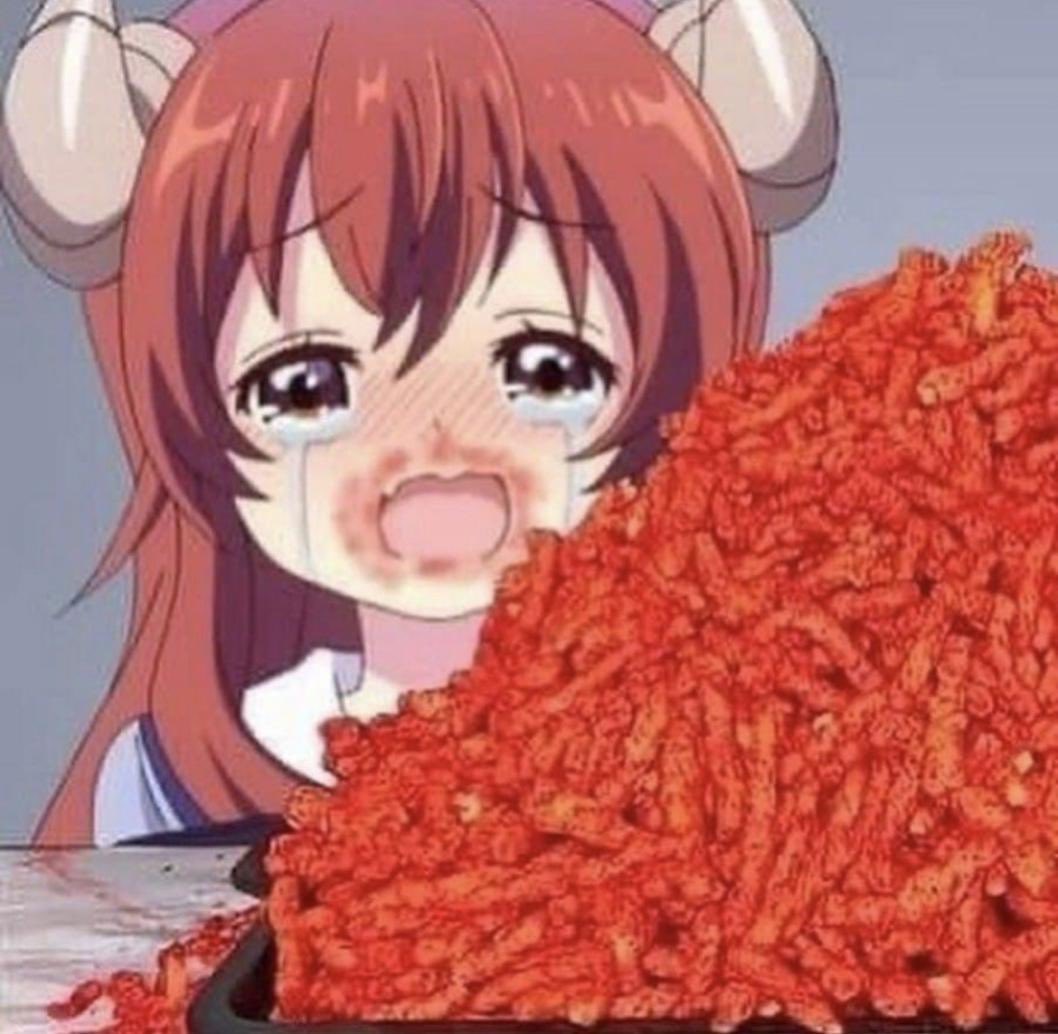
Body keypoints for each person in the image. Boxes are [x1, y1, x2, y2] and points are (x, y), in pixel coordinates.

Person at [1, 0, 838, 845]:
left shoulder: (734, 761)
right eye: (304, 387)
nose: (441, 472)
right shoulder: (165, 787)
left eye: (551, 372)